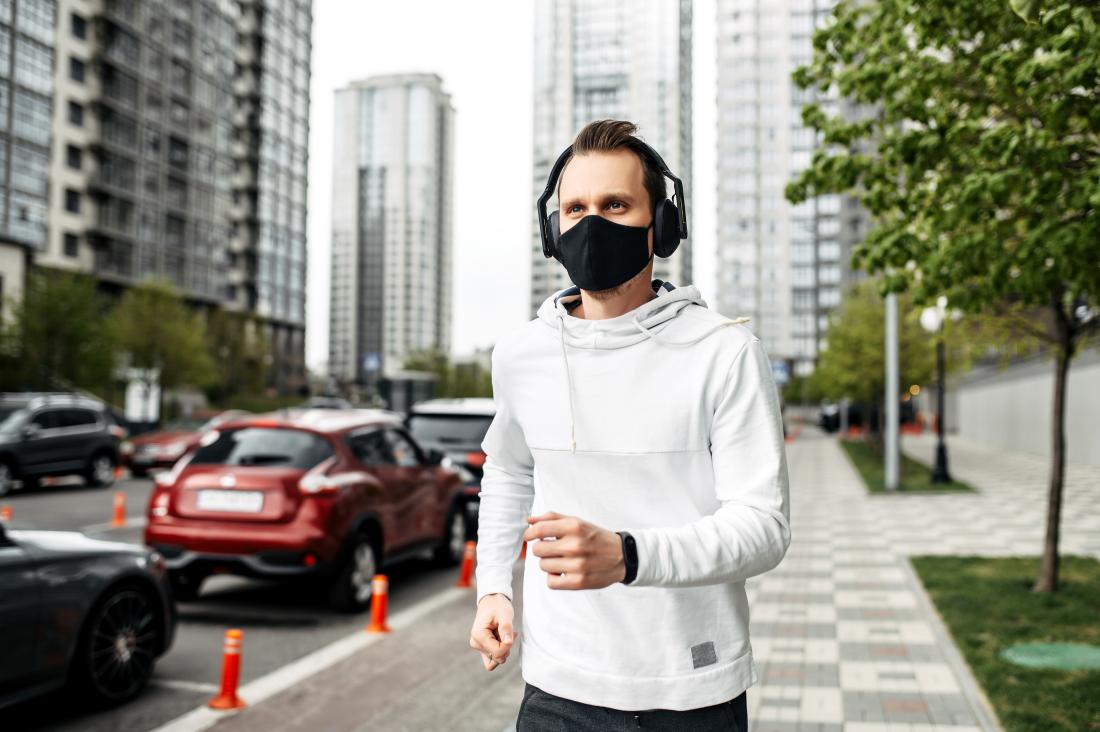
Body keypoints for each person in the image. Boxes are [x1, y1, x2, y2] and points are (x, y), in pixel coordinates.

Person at [468, 119, 791, 731]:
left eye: (615, 204)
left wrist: (630, 556)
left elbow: (764, 528)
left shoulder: (725, 352)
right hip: (555, 689)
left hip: (691, 691)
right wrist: (493, 587)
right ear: (552, 229)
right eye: (576, 208)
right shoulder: (520, 354)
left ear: (660, 226)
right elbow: (510, 468)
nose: (592, 223)